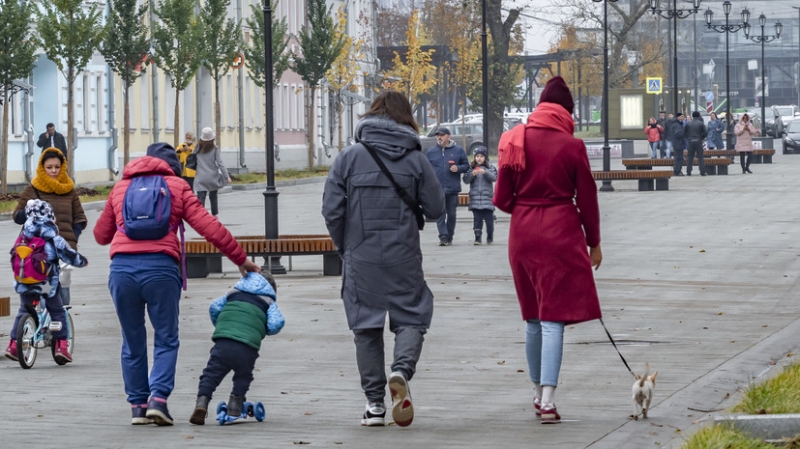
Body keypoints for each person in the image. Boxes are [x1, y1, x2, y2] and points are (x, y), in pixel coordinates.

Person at [93, 142, 261, 426]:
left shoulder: (121, 187)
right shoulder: (177, 186)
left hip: (122, 272)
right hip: (161, 271)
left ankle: (138, 407)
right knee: (166, 337)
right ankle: (158, 400)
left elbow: (100, 235)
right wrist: (240, 259)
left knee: (132, 340)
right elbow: (209, 226)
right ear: (173, 166)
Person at [321, 90, 445, 428]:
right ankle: (401, 370)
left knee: (365, 326)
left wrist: (345, 246)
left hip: (360, 256)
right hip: (404, 254)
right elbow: (436, 209)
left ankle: (374, 405)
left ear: (372, 115)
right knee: (413, 314)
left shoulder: (349, 157)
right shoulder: (417, 159)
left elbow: (331, 210)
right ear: (406, 118)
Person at [493, 76, 602, 424]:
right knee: (553, 318)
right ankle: (549, 402)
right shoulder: (572, 146)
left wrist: (527, 208)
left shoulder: (514, 139)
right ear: (567, 112)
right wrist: (594, 242)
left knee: (532, 317)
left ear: (540, 106)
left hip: (522, 234)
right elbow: (588, 198)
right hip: (561, 231)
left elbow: (501, 199)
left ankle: (537, 392)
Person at [190, 271, 284, 425]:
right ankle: (235, 404)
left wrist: (220, 325)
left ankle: (202, 402)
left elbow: (214, 307)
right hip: (247, 345)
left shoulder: (232, 293)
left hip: (223, 341)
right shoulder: (268, 301)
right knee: (243, 375)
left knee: (211, 373)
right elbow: (276, 323)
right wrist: (262, 329)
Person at [4, 199, 88, 363]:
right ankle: (61, 347)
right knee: (57, 311)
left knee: (23, 311)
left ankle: (13, 346)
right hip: (46, 284)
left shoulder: (23, 236)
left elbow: (14, 254)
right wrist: (82, 262)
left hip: (24, 282)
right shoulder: (53, 237)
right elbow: (69, 255)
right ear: (50, 216)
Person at [13, 147, 88, 307]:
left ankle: (62, 317)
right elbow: (17, 217)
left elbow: (79, 218)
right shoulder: (32, 189)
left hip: (64, 247)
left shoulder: (69, 190)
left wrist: (72, 239)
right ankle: (35, 317)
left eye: (57, 167)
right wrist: (29, 210)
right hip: (37, 248)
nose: (54, 171)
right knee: (38, 284)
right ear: (42, 168)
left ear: (62, 167)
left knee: (63, 285)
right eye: (49, 167)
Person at [425, 127, 469, 246]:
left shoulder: (458, 150)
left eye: (442, 135)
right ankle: (443, 237)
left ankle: (450, 235)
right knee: (440, 214)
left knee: (452, 214)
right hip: (437, 189)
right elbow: (426, 168)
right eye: (438, 135)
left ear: (449, 136)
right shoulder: (431, 152)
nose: (439, 137)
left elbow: (466, 165)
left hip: (452, 188)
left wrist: (458, 168)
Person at [462, 146, 497, 245]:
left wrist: (485, 172)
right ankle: (477, 238)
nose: (479, 158)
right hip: (475, 199)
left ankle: (490, 236)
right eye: (477, 156)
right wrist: (472, 174)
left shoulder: (490, 167)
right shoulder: (471, 168)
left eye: (481, 156)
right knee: (477, 220)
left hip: (487, 199)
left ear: (485, 157)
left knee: (489, 220)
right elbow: (465, 180)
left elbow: (494, 177)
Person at [192, 127, 230, 217]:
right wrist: (226, 176)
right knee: (213, 196)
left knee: (201, 196)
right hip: (212, 177)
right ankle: (214, 215)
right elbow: (220, 163)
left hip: (200, 177)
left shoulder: (197, 148)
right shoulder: (215, 148)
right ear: (212, 138)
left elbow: (193, 160)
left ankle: (201, 216)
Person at [685, 111, 708, 176]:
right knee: (700, 157)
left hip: (690, 141)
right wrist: (701, 138)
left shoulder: (688, 123)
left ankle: (688, 171)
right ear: (698, 116)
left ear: (692, 116)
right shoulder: (700, 123)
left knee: (690, 157)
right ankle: (702, 171)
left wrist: (688, 137)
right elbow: (705, 133)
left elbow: (684, 133)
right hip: (698, 141)